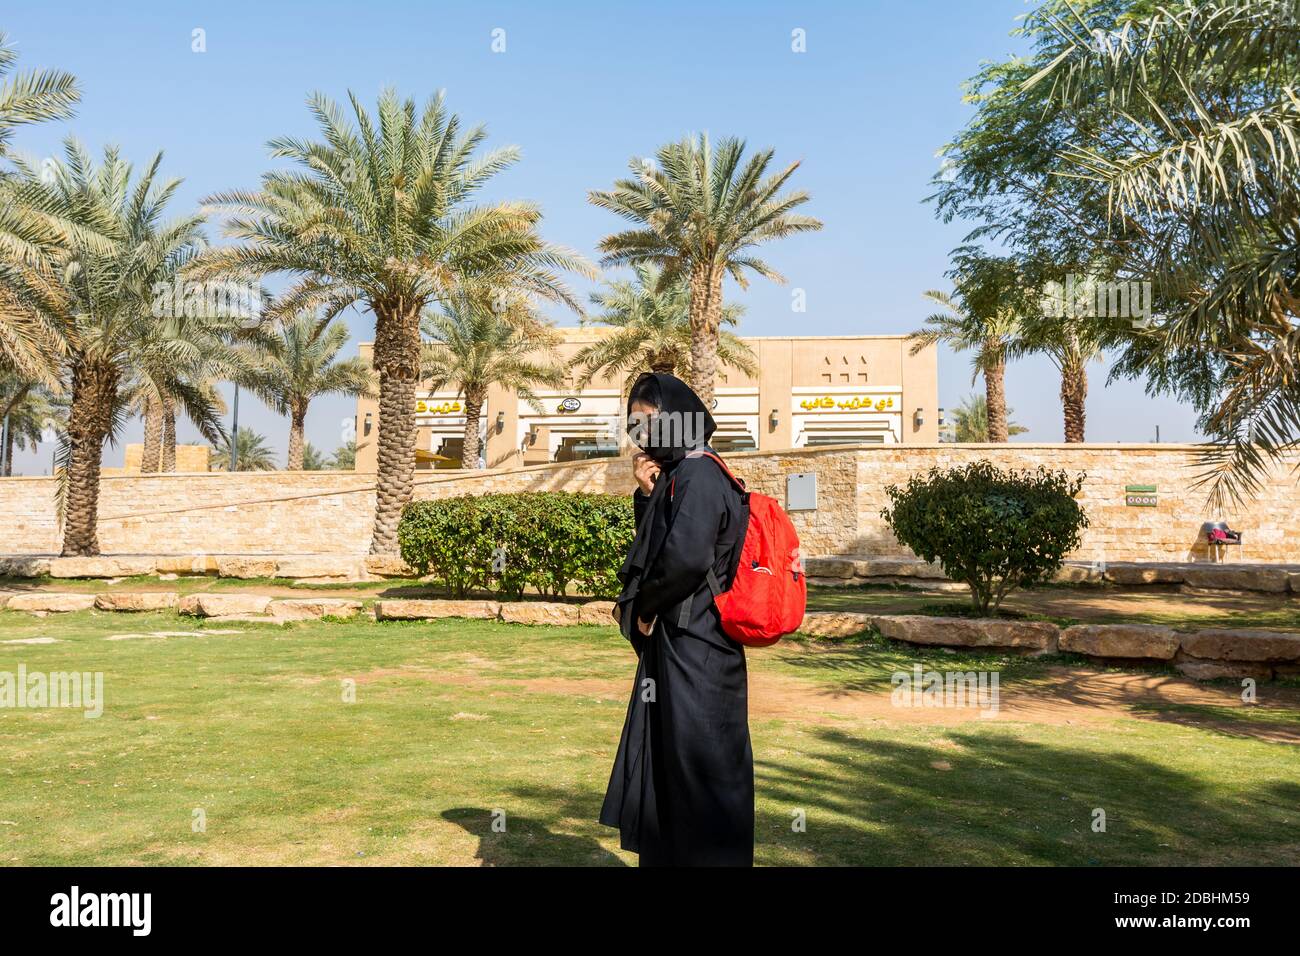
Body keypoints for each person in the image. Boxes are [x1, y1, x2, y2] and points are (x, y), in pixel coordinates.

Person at [598, 371, 754, 866]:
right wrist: (645, 495)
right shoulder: (677, 476)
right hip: (678, 649)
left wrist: (644, 608)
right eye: (635, 424)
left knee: (701, 774)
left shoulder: (700, 474)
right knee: (670, 767)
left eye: (650, 421)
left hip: (700, 652)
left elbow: (685, 559)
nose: (641, 434)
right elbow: (659, 547)